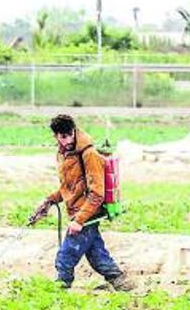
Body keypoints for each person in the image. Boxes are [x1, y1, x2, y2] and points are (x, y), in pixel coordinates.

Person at [31, 114, 135, 291]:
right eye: (59, 137)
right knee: (97, 255)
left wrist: (79, 220)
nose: (62, 141)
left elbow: (97, 193)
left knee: (66, 256)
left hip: (87, 214)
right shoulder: (64, 154)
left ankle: (60, 288)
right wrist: (49, 201)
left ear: (73, 132)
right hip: (79, 214)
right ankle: (121, 282)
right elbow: (69, 188)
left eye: (66, 136)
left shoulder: (89, 154)